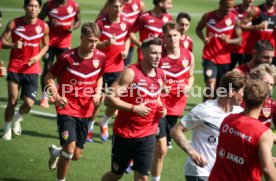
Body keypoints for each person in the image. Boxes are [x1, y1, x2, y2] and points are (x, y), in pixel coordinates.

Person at [46, 22, 105, 181]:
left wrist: (98, 92)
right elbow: (49, 77)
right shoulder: (67, 57)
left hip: (85, 110)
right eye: (90, 40)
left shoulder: (100, 57)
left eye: (96, 41)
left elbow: (100, 77)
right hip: (67, 108)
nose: (93, 44)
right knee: (70, 150)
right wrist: (57, 97)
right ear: (81, 38)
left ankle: (56, 153)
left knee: (76, 155)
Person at [101, 37, 166, 181]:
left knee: (142, 177)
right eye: (153, 53)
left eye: (160, 53)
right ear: (143, 52)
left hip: (148, 133)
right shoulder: (131, 73)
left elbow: (156, 97)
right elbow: (109, 99)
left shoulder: (161, 74)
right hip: (125, 134)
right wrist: (133, 108)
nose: (157, 57)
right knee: (116, 174)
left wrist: (162, 108)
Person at [170, 70, 246, 181]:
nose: (244, 95)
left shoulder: (240, 113)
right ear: (232, 92)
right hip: (200, 171)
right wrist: (192, 152)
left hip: (222, 173)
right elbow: (176, 131)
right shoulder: (205, 110)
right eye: (243, 91)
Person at [151, 21, 195, 181]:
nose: (172, 39)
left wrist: (189, 86)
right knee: (161, 148)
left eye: (175, 35)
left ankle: (136, 158)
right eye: (168, 36)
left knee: (161, 147)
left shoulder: (188, 55)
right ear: (163, 37)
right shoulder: (158, 57)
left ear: (180, 35)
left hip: (177, 107)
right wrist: (160, 88)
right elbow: (148, 78)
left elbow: (190, 76)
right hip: (158, 105)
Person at [1, 0, 49, 140]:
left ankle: (17, 118)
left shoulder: (43, 26)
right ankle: (7, 127)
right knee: (12, 100)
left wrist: (38, 57)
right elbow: (2, 41)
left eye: (36, 6)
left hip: (32, 69)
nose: (33, 8)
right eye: (30, 5)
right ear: (24, 7)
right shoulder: (14, 24)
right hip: (15, 67)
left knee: (29, 103)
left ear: (39, 9)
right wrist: (12, 45)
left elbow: (46, 45)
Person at [209, 80, 276, 181]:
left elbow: (239, 146)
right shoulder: (263, 133)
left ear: (244, 98)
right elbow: (267, 169)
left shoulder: (228, 120)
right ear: (265, 101)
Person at [95, 0, 132, 142]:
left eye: (120, 6)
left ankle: (103, 122)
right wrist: (105, 43)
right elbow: (93, 44)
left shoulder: (125, 23)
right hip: (100, 67)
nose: (117, 9)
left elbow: (127, 37)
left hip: (117, 68)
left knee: (115, 100)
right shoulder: (101, 23)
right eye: (115, 6)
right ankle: (90, 126)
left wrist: (126, 49)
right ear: (109, 7)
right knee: (96, 101)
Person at [196, 0, 242, 101]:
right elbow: (198, 29)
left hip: (225, 60)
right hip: (209, 57)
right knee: (210, 86)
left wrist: (228, 40)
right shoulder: (208, 16)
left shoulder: (234, 19)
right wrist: (204, 38)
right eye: (227, 7)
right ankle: (204, 109)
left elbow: (239, 40)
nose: (229, 10)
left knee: (220, 89)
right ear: (220, 4)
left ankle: (214, 109)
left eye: (231, 7)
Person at [38, 0, 81, 108]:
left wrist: (73, 27)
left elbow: (79, 21)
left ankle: (55, 93)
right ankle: (44, 97)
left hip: (64, 44)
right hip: (50, 43)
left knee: (63, 71)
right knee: (47, 69)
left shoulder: (74, 5)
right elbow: (38, 21)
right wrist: (49, 23)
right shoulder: (48, 5)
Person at [96, 0, 145, 67]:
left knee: (124, 68)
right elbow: (100, 17)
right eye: (116, 7)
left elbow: (142, 21)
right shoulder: (116, 2)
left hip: (128, 43)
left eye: (120, 7)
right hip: (110, 43)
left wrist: (133, 31)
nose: (118, 9)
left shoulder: (139, 4)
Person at [228, 0, 255, 70]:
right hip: (232, 48)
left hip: (247, 49)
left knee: (245, 74)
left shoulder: (255, 11)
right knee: (227, 74)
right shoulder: (233, 10)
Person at [248, 63, 276, 128]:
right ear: (254, 81)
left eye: (271, 85)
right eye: (265, 83)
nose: (269, 87)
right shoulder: (242, 102)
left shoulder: (273, 105)